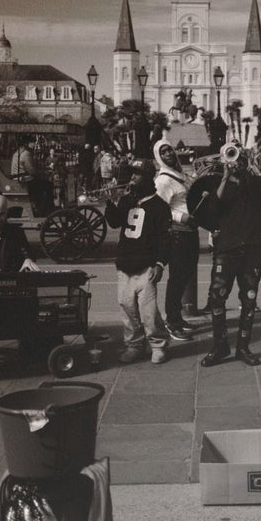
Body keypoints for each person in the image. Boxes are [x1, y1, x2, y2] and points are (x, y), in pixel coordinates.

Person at [189, 150, 261, 367]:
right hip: (227, 247)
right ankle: (220, 345)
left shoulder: (253, 182)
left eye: (241, 160)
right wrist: (225, 177)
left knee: (249, 298)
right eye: (234, 159)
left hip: (251, 246)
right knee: (217, 296)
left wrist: (252, 170)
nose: (237, 163)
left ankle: (243, 346)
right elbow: (214, 209)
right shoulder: (219, 182)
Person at [104, 163, 170, 365]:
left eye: (138, 175)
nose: (132, 178)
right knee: (127, 308)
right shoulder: (127, 201)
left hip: (146, 266)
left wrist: (159, 264)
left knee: (148, 311)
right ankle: (134, 345)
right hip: (125, 265)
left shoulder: (159, 206)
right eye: (132, 174)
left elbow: (164, 238)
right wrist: (111, 202)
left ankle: (157, 344)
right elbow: (115, 222)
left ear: (149, 179)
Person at [153, 138, 198, 340]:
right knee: (178, 278)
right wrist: (182, 216)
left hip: (189, 231)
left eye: (169, 150)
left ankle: (177, 317)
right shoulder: (163, 180)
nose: (168, 154)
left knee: (185, 276)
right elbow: (160, 210)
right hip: (178, 232)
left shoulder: (179, 174)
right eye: (163, 152)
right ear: (158, 157)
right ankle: (172, 321)